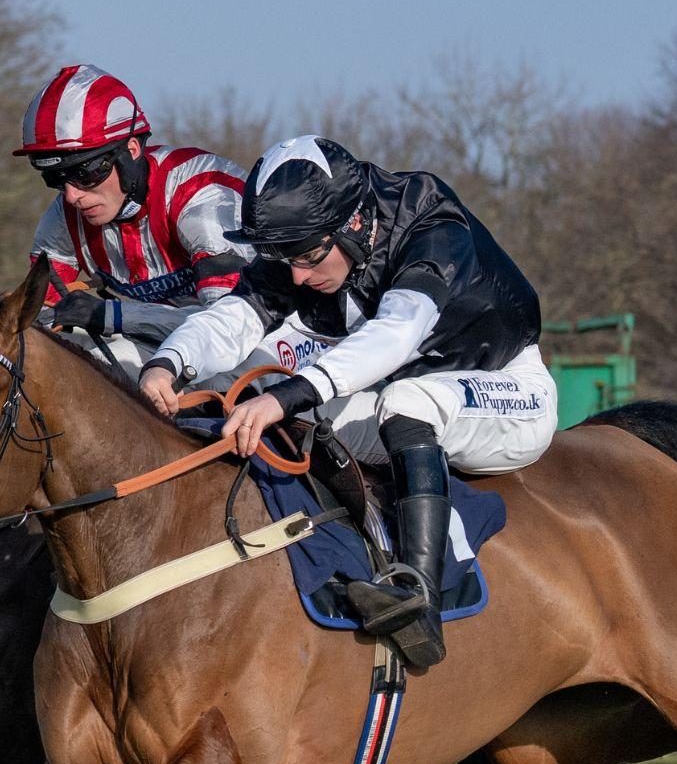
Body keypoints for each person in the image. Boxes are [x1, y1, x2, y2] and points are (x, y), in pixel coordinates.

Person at [139, 135, 556, 667]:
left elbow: (396, 334)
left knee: (405, 401)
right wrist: (167, 364)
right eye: (285, 258)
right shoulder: (304, 240)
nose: (297, 276)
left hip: (511, 390)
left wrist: (290, 395)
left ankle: (420, 602)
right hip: (401, 391)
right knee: (252, 386)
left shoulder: (430, 223)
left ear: (355, 223)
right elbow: (235, 317)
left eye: (310, 257)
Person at [15, 64, 262, 384]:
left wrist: (112, 316)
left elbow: (229, 330)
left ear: (131, 151)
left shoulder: (202, 198)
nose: (73, 195)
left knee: (215, 382)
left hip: (262, 339)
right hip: (167, 344)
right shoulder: (64, 219)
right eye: (55, 178)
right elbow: (39, 323)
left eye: (85, 172)